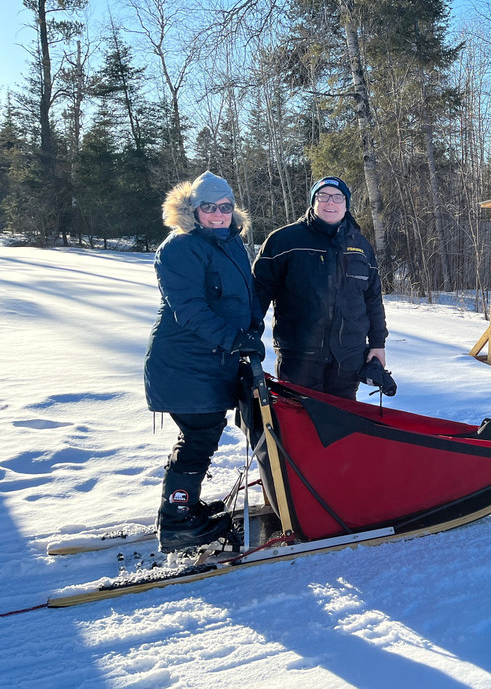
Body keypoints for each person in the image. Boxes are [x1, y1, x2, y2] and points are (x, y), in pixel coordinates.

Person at [144, 171, 265, 552]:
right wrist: (236, 341)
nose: (217, 214)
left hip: (213, 362)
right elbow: (191, 311)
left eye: (225, 207)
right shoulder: (181, 247)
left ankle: (184, 507)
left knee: (202, 434)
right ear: (193, 210)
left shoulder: (230, 243)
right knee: (199, 436)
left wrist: (253, 331)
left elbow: (244, 296)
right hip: (186, 363)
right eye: (208, 207)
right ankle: (178, 521)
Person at [253, 176, 391, 400]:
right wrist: (250, 341)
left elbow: (372, 299)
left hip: (347, 360)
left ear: (346, 204)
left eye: (338, 197)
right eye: (323, 196)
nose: (330, 203)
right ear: (313, 201)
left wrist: (378, 344)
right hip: (299, 359)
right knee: (298, 426)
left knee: (343, 427)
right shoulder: (283, 241)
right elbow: (256, 296)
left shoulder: (361, 246)